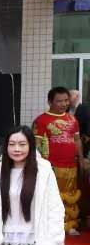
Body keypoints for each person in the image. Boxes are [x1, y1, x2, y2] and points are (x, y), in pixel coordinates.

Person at [33, 87, 84, 236]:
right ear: (50, 102)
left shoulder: (72, 119)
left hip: (71, 165)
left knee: (70, 196)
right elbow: (36, 146)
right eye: (59, 101)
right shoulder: (41, 120)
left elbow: (77, 140)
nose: (64, 104)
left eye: (66, 100)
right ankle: (51, 226)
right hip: (51, 167)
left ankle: (68, 225)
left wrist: (81, 159)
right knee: (51, 197)